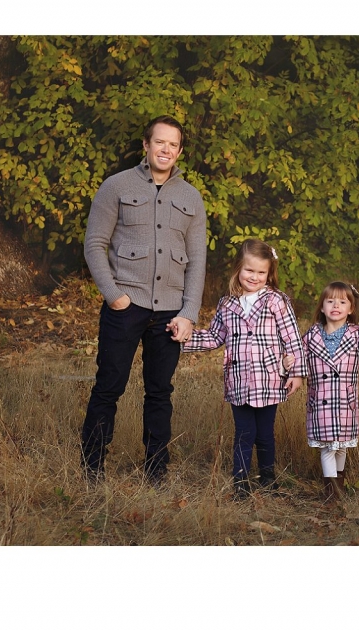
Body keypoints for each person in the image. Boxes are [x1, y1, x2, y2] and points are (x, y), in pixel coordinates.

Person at [80, 116, 207, 484]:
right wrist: (115, 297)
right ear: (146, 145)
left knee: (159, 393)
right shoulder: (116, 186)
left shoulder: (190, 197)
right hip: (125, 306)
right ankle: (91, 468)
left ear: (179, 151)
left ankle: (156, 470)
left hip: (170, 311)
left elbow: (198, 259)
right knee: (109, 386)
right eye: (159, 142)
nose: (165, 150)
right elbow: (94, 245)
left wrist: (189, 312)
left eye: (173, 145)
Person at [181, 238, 306, 499]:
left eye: (262, 272)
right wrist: (183, 339)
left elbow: (292, 338)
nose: (255, 277)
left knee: (265, 433)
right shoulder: (228, 304)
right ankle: (240, 483)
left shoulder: (276, 301)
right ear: (239, 268)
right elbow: (215, 337)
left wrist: (296, 373)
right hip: (239, 381)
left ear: (269, 274)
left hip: (270, 380)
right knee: (244, 432)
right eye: (250, 270)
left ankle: (268, 480)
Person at [302, 282, 359, 503]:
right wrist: (288, 363)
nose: (336, 306)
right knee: (327, 448)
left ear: (351, 308)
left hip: (345, 403)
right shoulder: (312, 335)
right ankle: (332, 494)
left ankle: (339, 483)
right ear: (322, 307)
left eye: (342, 302)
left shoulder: (357, 334)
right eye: (330, 301)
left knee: (341, 446)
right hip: (320, 402)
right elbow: (298, 364)